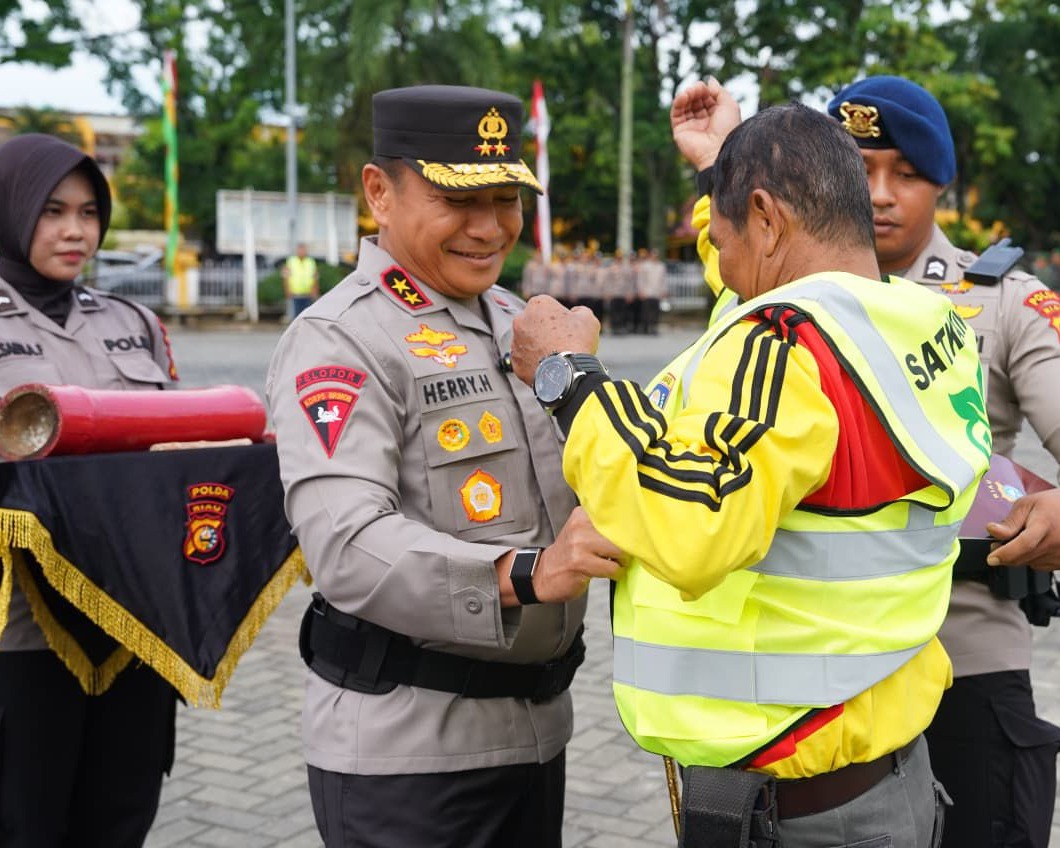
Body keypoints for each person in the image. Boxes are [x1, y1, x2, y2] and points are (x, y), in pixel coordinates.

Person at [512, 84, 990, 847]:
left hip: (801, 810)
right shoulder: (913, 320)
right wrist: (718, 176)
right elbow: (760, 302)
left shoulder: (787, 346)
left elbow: (691, 528)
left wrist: (569, 377)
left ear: (767, 218)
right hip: (876, 773)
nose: (723, 270)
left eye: (726, 237)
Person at [265, 84, 620, 848]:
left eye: (504, 197)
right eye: (457, 199)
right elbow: (347, 545)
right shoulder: (340, 339)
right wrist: (524, 573)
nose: (489, 227)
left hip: (535, 734)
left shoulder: (521, 324)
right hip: (408, 757)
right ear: (378, 193)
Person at [825, 76, 1060, 848]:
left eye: (907, 173)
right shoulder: (781, 305)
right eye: (858, 172)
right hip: (818, 666)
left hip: (962, 648)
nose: (881, 195)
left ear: (943, 185)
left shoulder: (1003, 301)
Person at [0, 134, 180, 846]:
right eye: (51, 211)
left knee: (119, 814)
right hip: (19, 630)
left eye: (87, 212)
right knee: (25, 821)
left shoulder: (133, 324)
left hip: (131, 621)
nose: (76, 231)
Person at [282, 241, 319, 319]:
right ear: (297, 251)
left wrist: (315, 290)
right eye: (300, 250)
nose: (302, 252)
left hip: (308, 293)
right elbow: (285, 276)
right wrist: (287, 289)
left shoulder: (311, 262)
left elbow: (315, 277)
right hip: (295, 294)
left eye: (304, 250)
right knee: (295, 316)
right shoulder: (291, 261)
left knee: (307, 316)